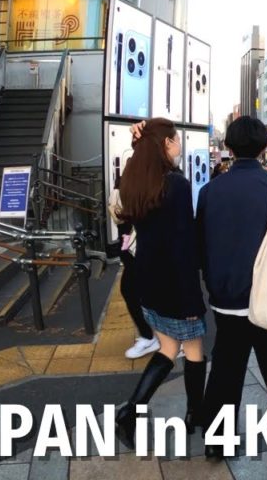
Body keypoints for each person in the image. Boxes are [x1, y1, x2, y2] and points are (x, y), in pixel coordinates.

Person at [196, 117, 267, 459]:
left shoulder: (210, 190)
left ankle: (218, 442)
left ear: (228, 147)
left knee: (226, 366)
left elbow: (201, 245)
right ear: (264, 148)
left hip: (226, 294)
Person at [114, 118, 206, 446]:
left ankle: (131, 412)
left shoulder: (134, 180)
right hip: (174, 282)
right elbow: (182, 245)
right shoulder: (176, 185)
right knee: (193, 349)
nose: (180, 145)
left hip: (146, 278)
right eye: (176, 139)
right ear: (165, 143)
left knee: (168, 348)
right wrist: (192, 299)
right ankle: (195, 413)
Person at [108, 176, 158, 360]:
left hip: (140, 254)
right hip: (133, 252)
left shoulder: (137, 192)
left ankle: (152, 336)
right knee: (136, 292)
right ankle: (154, 335)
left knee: (132, 291)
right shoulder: (135, 188)